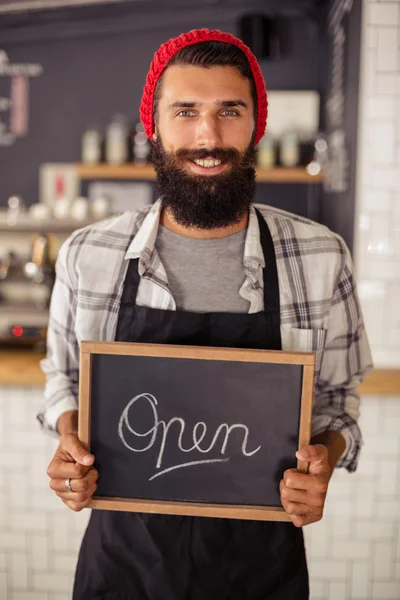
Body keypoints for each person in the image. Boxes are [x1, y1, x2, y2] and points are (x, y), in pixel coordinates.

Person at [38, 28, 372, 600]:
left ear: (255, 125)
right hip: (123, 564)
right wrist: (70, 444)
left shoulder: (319, 256)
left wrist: (323, 460)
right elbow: (64, 380)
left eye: (229, 111)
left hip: (261, 568)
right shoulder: (87, 254)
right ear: (155, 126)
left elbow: (338, 399)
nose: (207, 136)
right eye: (186, 110)